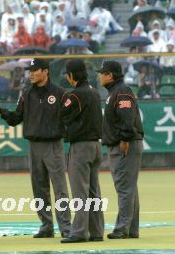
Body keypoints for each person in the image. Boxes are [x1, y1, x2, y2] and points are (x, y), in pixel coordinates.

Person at [0, 58, 71, 238]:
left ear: (45, 71)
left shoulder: (60, 93)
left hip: (54, 145)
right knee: (39, 188)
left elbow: (71, 117)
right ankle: (46, 226)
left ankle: (66, 228)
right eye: (30, 70)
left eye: (35, 70)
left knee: (59, 187)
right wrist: (0, 110)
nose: (30, 73)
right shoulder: (27, 94)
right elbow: (15, 119)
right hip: (34, 146)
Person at [97, 60, 143, 239]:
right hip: (122, 143)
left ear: (111, 75)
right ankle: (131, 228)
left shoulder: (121, 91)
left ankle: (122, 229)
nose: (100, 75)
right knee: (129, 187)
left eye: (102, 73)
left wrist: (124, 138)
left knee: (124, 187)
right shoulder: (116, 92)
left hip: (125, 144)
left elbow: (127, 117)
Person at [60, 59, 104, 243]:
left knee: (80, 191)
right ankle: (96, 231)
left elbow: (63, 115)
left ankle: (78, 232)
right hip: (96, 146)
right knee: (94, 191)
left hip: (81, 147)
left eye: (68, 75)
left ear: (72, 75)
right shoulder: (94, 92)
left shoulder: (76, 95)